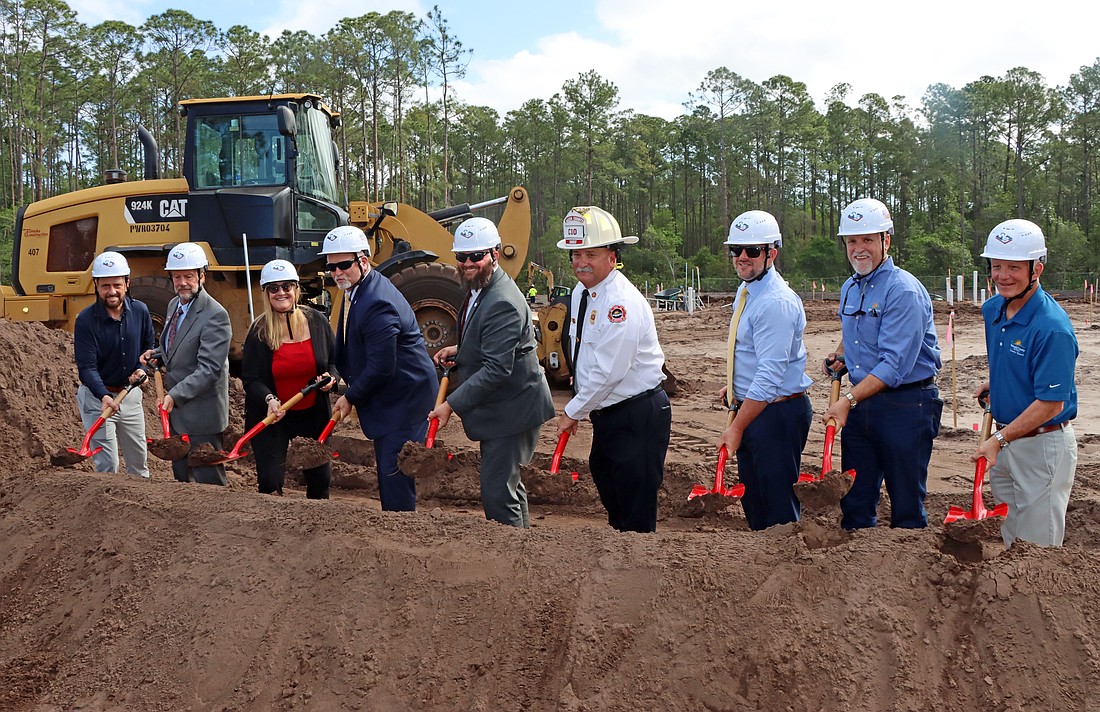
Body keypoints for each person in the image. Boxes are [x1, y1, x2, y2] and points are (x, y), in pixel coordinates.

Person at [822, 197, 942, 529]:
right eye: (852, 241)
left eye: (868, 240)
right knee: (855, 499)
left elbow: (893, 366)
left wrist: (847, 400)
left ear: (886, 240)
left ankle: (906, 572)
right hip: (863, 403)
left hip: (906, 404)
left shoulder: (903, 291)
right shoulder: (850, 287)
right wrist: (841, 356)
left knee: (906, 501)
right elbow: (856, 333)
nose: (859, 249)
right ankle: (859, 569)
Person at [428, 217, 554, 528]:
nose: (467, 263)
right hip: (507, 406)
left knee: (498, 492)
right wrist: (460, 351)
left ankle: (510, 560)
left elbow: (498, 368)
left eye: (476, 256)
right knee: (507, 486)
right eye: (461, 257)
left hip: (513, 410)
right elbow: (491, 341)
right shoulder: (480, 287)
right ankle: (520, 550)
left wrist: (450, 405)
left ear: (495, 254)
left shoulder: (502, 302)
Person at [554, 206, 671, 533]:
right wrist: (583, 400)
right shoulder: (582, 293)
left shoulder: (621, 303)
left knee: (634, 503)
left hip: (637, 413)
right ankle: (622, 555)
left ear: (613, 256)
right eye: (575, 255)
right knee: (607, 479)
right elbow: (583, 352)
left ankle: (638, 568)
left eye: (590, 254)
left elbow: (610, 372)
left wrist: (574, 410)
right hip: (607, 413)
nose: (581, 263)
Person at [972, 219, 1078, 547]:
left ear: (1037, 269)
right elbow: (1014, 361)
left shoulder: (1052, 328)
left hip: (1041, 447)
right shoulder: (993, 310)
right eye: (996, 266)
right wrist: (999, 386)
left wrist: (997, 440)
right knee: (1011, 529)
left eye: (1014, 267)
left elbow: (1051, 403)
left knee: (1037, 546)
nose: (1003, 276)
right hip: (1007, 439)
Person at [325, 225, 437, 511]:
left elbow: (382, 368)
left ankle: (400, 532)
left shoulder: (376, 303)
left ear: (363, 261)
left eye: (344, 265)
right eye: (332, 267)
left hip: (403, 399)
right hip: (395, 394)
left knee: (394, 470)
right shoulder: (359, 289)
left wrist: (350, 397)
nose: (337, 272)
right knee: (389, 466)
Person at [717, 211, 813, 530]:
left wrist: (737, 428)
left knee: (777, 508)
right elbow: (750, 353)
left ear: (772, 253)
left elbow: (770, 377)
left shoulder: (775, 302)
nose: (742, 258)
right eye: (736, 250)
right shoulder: (747, 292)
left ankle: (788, 572)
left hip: (776, 414)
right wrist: (734, 387)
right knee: (755, 500)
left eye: (753, 251)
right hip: (756, 407)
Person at [242, 260, 338, 499]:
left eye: (286, 286)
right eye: (274, 288)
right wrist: (269, 399)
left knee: (320, 481)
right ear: (266, 293)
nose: (281, 292)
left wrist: (331, 379)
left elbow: (335, 363)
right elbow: (251, 378)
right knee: (270, 482)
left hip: (312, 415)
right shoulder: (259, 331)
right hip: (274, 416)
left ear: (296, 288)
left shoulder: (317, 322)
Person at [140, 242, 232, 486]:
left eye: (188, 276)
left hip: (202, 416)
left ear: (202, 275)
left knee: (208, 482)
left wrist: (174, 395)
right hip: (179, 415)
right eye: (177, 276)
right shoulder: (174, 305)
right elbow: (180, 344)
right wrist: (158, 354)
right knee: (182, 482)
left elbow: (209, 369)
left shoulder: (215, 314)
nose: (182, 283)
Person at [73, 251, 155, 478]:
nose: (112, 291)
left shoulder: (140, 311)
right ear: (96, 286)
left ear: (127, 283)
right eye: (105, 285)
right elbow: (87, 368)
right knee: (108, 466)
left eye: (117, 285)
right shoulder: (86, 321)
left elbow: (148, 348)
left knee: (139, 463)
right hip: (97, 398)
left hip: (129, 396)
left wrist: (143, 369)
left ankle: (139, 510)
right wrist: (103, 396)